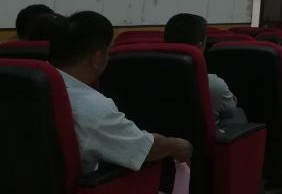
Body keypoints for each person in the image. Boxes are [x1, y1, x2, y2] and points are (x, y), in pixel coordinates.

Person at [51, 11, 193, 174]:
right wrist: (176, 146)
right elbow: (145, 150)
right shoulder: (91, 106)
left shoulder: (30, 85)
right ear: (97, 57)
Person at [164, 13, 247, 128]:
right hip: (199, 139)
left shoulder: (149, 78)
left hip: (158, 138)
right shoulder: (212, 84)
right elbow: (231, 109)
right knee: (239, 113)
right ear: (199, 47)